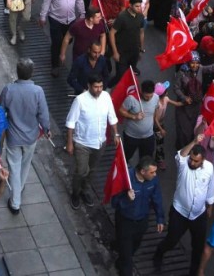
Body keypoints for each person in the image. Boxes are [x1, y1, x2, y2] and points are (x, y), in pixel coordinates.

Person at [152, 140, 214, 275]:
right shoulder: (183, 164)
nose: (192, 163)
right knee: (171, 241)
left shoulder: (209, 168)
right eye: (191, 159)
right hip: (179, 212)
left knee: (198, 248)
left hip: (199, 215)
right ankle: (158, 254)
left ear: (203, 160)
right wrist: (194, 142)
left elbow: (211, 187)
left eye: (195, 161)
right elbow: (181, 155)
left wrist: (210, 205)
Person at [0, 58, 51, 215]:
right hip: (31, 137)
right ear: (32, 73)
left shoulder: (9, 90)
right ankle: (19, 188)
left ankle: (15, 202)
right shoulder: (38, 91)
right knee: (25, 165)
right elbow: (44, 115)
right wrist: (47, 129)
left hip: (13, 137)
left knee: (14, 168)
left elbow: (1, 113)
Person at [65, 73, 119, 209]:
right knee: (82, 170)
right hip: (82, 143)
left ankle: (85, 190)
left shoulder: (106, 97)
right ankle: (75, 193)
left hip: (100, 143)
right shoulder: (80, 100)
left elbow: (112, 117)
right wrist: (70, 143)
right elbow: (71, 123)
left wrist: (115, 134)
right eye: (96, 87)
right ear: (89, 86)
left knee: (92, 170)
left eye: (101, 86)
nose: (99, 90)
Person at [112, 156, 165, 276]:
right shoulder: (125, 179)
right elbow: (114, 202)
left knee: (133, 247)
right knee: (127, 259)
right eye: (152, 172)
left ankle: (121, 259)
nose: (155, 175)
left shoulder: (153, 181)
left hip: (142, 221)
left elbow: (157, 198)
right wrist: (126, 198)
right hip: (125, 222)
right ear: (142, 171)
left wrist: (160, 218)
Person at [39, 0, 85, 77]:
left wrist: (82, 14)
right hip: (56, 19)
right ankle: (55, 65)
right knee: (56, 43)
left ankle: (61, 51)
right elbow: (47, 2)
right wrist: (42, 16)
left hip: (71, 20)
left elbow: (79, 0)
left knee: (67, 40)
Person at [120, 79, 162, 163]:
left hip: (148, 136)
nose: (149, 98)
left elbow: (156, 109)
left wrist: (156, 123)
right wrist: (134, 116)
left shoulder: (156, 97)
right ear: (141, 91)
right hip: (131, 136)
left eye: (151, 96)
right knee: (126, 157)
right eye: (146, 96)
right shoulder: (131, 99)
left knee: (146, 160)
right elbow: (121, 111)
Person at [110, 0, 145, 83]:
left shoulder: (141, 17)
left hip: (134, 51)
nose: (139, 8)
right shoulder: (122, 17)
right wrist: (115, 52)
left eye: (140, 6)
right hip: (122, 52)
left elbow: (141, 32)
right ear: (130, 5)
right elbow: (112, 33)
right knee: (120, 75)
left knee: (130, 73)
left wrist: (141, 49)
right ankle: (109, 87)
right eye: (136, 6)